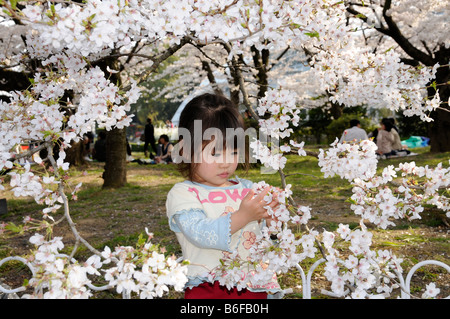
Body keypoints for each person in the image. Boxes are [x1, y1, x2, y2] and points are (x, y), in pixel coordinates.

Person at [166, 93, 280, 299]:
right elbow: (201, 234)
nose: (225, 162)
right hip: (210, 288)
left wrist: (273, 221)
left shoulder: (248, 189)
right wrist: (244, 216)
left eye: (234, 151)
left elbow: (268, 241)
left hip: (254, 285)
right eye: (215, 152)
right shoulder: (184, 193)